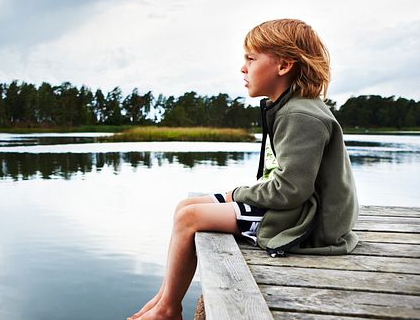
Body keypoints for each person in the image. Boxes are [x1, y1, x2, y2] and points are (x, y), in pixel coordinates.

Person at [128, 18, 359, 320]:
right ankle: (163, 300)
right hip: (298, 207)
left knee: (189, 217)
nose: (242, 68)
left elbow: (290, 189)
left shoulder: (302, 115)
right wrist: (236, 196)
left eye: (251, 59)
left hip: (308, 222)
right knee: (185, 206)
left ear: (284, 65)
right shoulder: (289, 107)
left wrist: (236, 194)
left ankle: (168, 308)